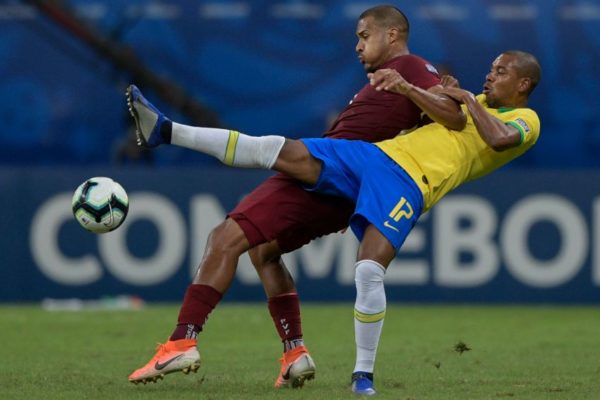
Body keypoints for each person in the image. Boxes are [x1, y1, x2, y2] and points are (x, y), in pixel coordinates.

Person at [127, 50, 541, 394]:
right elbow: (442, 117)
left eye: (501, 72)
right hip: (377, 156)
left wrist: (465, 99)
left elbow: (499, 139)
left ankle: (363, 375)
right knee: (277, 148)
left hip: (413, 183)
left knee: (368, 270)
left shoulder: (526, 121)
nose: (490, 76)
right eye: (490, 69)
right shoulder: (474, 101)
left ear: (522, 85)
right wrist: (448, 97)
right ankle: (169, 131)